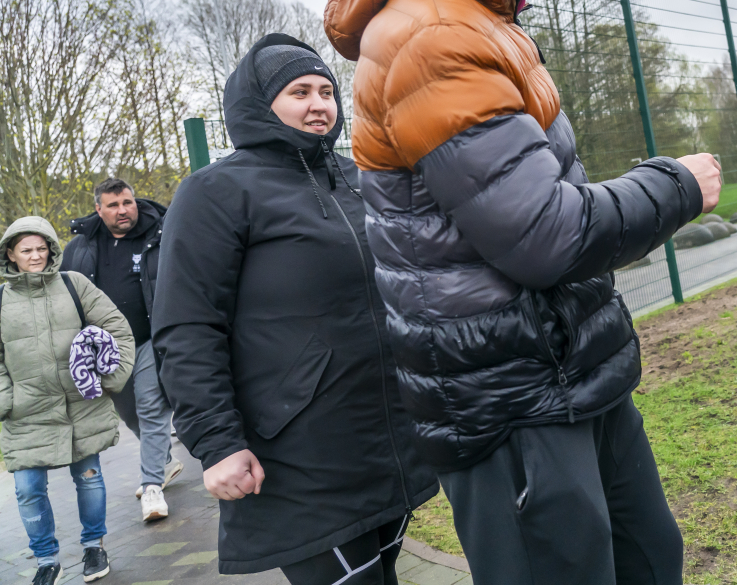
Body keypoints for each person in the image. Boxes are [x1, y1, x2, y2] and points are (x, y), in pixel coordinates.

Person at [323, 0, 722, 585]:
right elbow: (544, 234)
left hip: (568, 378)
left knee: (650, 561)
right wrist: (676, 184)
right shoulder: (432, 36)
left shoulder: (479, 18)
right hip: (510, 403)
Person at [152, 34, 438, 582]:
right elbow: (188, 327)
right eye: (299, 91)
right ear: (261, 103)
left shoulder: (358, 178)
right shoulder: (214, 193)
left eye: (326, 91)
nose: (318, 104)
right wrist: (216, 444)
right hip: (297, 458)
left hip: (386, 441)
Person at [1, 216, 135, 585]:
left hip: (81, 403)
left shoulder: (74, 285)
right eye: (26, 250)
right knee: (28, 489)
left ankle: (94, 546)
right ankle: (46, 561)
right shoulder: (0, 299)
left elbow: (118, 328)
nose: (35, 256)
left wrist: (111, 380)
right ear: (11, 254)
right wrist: (6, 400)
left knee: (88, 477)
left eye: (42, 248)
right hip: (25, 413)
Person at [62, 179, 182, 522]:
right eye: (113, 205)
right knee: (128, 412)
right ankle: (164, 460)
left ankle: (152, 486)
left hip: (148, 338)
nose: (123, 210)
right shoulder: (81, 246)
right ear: (99, 209)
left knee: (150, 406)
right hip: (107, 348)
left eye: (127, 202)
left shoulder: (160, 234)